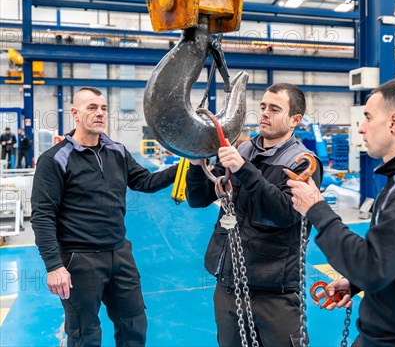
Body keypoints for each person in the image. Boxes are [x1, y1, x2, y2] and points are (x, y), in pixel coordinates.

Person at [288, 79, 395, 346]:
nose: (362, 128)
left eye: (367, 117)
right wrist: (354, 283)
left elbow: (372, 267)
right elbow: (394, 259)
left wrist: (317, 209)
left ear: (393, 122)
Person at [31, 87, 178, 347]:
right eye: (92, 108)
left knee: (134, 324)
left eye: (103, 108)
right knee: (85, 334)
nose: (99, 113)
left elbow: (145, 181)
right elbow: (43, 215)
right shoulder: (55, 159)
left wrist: (184, 166)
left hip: (120, 254)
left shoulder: (117, 151)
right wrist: (54, 266)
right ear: (75, 113)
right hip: (80, 259)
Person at [186, 83, 323, 347]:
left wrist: (244, 170)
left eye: (274, 109)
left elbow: (286, 214)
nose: (264, 114)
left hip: (273, 293)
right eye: (262, 107)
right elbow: (197, 199)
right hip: (229, 287)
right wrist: (195, 163)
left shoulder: (302, 162)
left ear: (295, 119)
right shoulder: (243, 150)